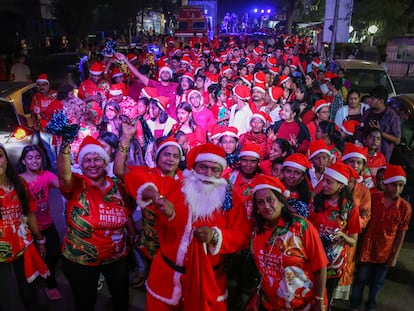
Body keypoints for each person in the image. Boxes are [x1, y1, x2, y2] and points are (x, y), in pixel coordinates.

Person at [123, 143, 251, 310]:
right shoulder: (177, 186)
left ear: (221, 172)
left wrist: (215, 236)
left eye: (215, 169)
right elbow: (133, 177)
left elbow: (243, 235)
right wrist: (157, 197)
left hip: (206, 279)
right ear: (193, 168)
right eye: (203, 167)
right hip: (166, 277)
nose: (208, 174)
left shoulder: (229, 199)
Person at [57, 136, 133, 310]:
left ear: (105, 162)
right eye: (87, 160)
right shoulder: (76, 184)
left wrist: (126, 139)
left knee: (121, 300)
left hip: (116, 256)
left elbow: (127, 212)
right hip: (81, 260)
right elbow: (63, 175)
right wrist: (65, 147)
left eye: (97, 159)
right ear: (81, 165)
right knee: (85, 303)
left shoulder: (118, 186)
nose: (92, 164)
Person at [251, 174, 327, 311]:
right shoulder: (258, 230)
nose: (266, 206)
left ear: (281, 201)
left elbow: (321, 266)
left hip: (303, 305)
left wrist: (319, 300)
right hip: (270, 304)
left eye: (270, 200)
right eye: (260, 202)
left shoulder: (301, 227)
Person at [350, 164, 412, 311]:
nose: (397, 189)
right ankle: (354, 306)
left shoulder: (405, 207)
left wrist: (395, 256)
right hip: (367, 249)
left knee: (377, 283)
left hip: (385, 252)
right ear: (385, 183)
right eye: (393, 184)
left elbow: (401, 232)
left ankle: (371, 306)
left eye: (400, 185)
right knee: (360, 280)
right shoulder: (373, 198)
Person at [0, 145, 48, 311]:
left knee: (28, 282)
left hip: (23, 243)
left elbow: (29, 213)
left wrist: (40, 239)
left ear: (6, 158)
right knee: (5, 292)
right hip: (2, 250)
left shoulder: (19, 183)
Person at [308, 162, 361, 308]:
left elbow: (353, 241)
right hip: (312, 260)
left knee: (325, 301)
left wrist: (343, 236)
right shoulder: (316, 202)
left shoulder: (350, 208)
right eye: (324, 180)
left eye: (329, 182)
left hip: (334, 266)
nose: (324, 184)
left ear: (341, 185)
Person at [17, 145, 62, 301]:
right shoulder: (19, 180)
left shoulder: (46, 175)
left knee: (55, 253)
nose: (34, 160)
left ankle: (44, 271)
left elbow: (62, 184)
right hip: (29, 229)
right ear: (24, 161)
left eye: (37, 157)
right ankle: (51, 285)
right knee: (36, 256)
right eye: (30, 157)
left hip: (47, 224)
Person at [356, 85, 401, 162]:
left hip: (380, 159)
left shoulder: (392, 117)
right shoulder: (367, 112)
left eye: (372, 99)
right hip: (363, 155)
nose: (369, 100)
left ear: (381, 101)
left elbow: (397, 140)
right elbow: (360, 129)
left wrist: (380, 132)